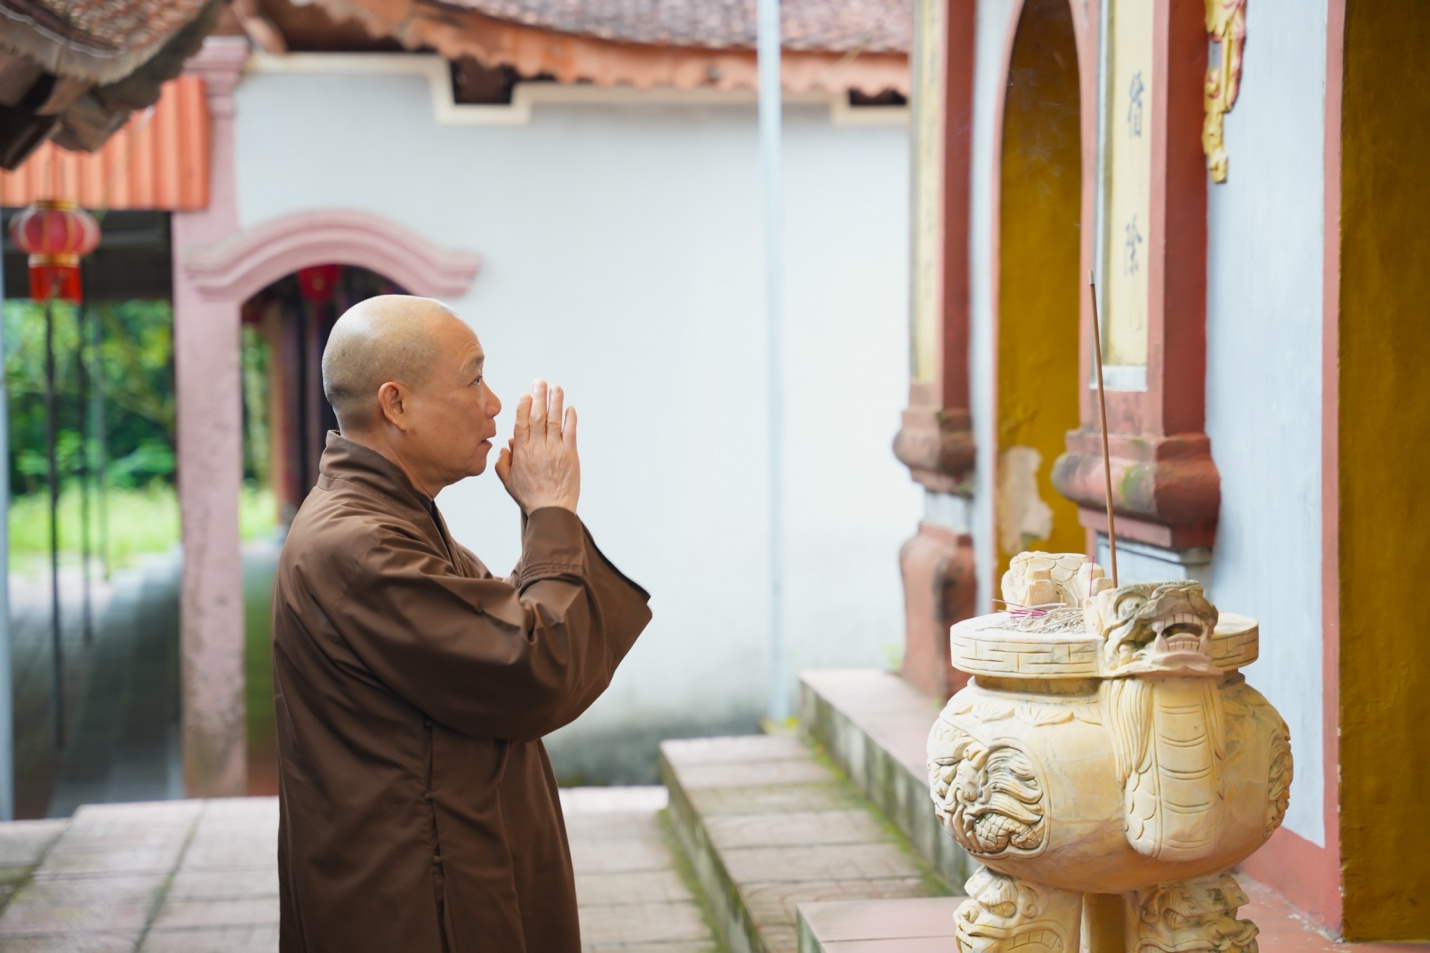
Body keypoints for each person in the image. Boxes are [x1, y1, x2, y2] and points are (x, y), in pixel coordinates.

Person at [271, 295, 651, 952]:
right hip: (412, 901)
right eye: (474, 378)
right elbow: (534, 664)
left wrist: (545, 524)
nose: (495, 403)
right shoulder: (360, 543)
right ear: (396, 404)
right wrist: (552, 511)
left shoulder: (391, 519)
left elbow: (500, 622)